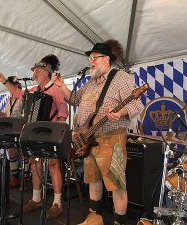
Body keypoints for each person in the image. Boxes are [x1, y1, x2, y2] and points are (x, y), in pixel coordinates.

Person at [53, 40, 143, 225]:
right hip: (88, 140)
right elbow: (74, 99)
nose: (91, 62)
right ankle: (95, 219)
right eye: (90, 58)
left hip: (112, 139)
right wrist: (61, 85)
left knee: (116, 185)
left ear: (107, 59)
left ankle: (119, 222)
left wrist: (120, 112)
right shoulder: (91, 82)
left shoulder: (121, 78)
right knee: (93, 181)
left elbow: (136, 104)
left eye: (94, 58)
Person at [0, 54, 68, 220]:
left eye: (37, 71)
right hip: (35, 135)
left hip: (52, 134)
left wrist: (58, 136)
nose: (34, 74)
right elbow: (18, 93)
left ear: (46, 72)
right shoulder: (34, 90)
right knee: (35, 164)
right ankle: (36, 199)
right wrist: (4, 81)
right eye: (34, 71)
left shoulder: (56, 90)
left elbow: (63, 113)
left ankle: (57, 203)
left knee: (53, 167)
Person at [0, 76, 30, 190]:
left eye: (13, 85)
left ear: (17, 85)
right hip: (11, 129)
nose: (11, 87)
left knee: (24, 154)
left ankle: (25, 181)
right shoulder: (9, 99)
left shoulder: (23, 96)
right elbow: (7, 115)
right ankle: (15, 178)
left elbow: (26, 114)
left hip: (22, 128)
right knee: (11, 152)